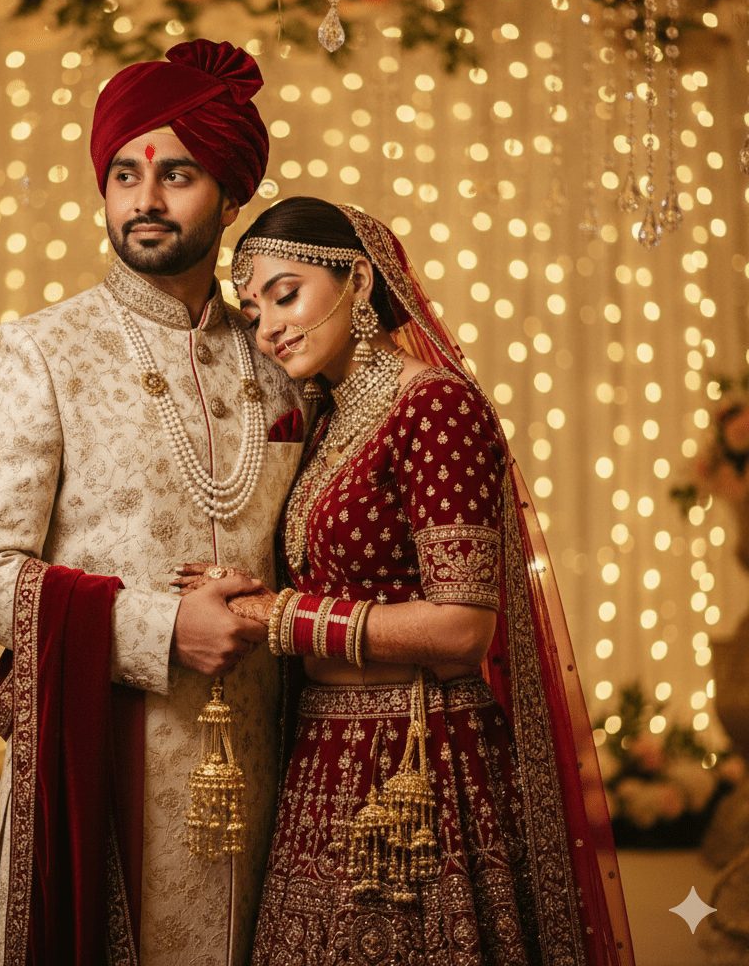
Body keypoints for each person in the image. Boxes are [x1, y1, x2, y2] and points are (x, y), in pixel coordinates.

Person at [174, 196, 635, 965]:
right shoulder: (326, 418)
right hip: (322, 754)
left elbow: (461, 629)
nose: (269, 327)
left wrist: (275, 617)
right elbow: (348, 581)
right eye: (254, 311)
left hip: (421, 765)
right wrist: (249, 590)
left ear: (357, 279)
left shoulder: (436, 406)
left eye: (286, 295)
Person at [0, 40, 306, 966]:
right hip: (104, 758)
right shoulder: (41, 350)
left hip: (276, 762)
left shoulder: (284, 357)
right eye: (124, 174)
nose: (144, 198)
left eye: (177, 173)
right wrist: (157, 628)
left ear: (231, 196)